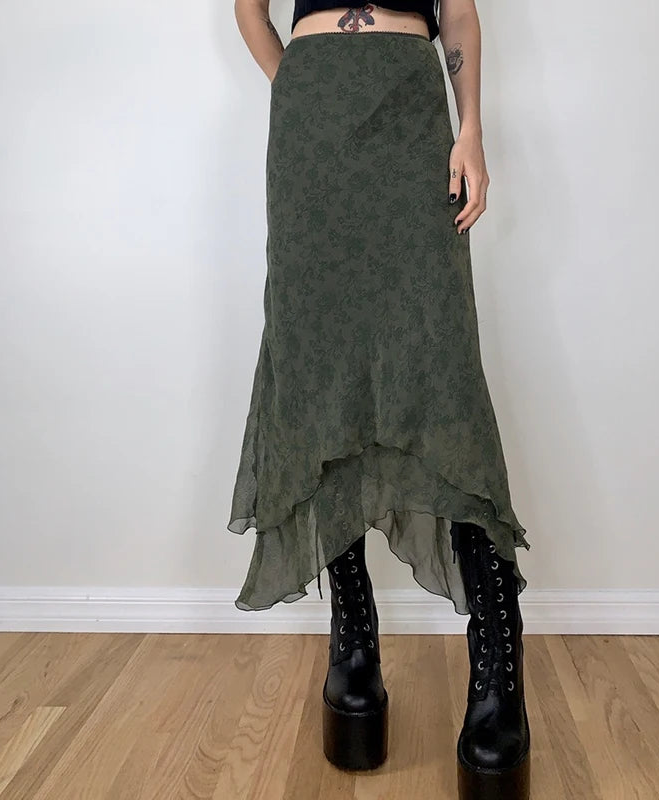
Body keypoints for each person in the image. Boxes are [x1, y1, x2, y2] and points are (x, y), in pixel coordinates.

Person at [229, 3, 531, 797]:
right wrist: (299, 84)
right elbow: (248, 10)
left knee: (441, 373)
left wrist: (471, 129)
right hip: (312, 119)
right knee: (318, 364)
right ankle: (354, 634)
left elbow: (458, 14)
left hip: (409, 106)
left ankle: (498, 658)